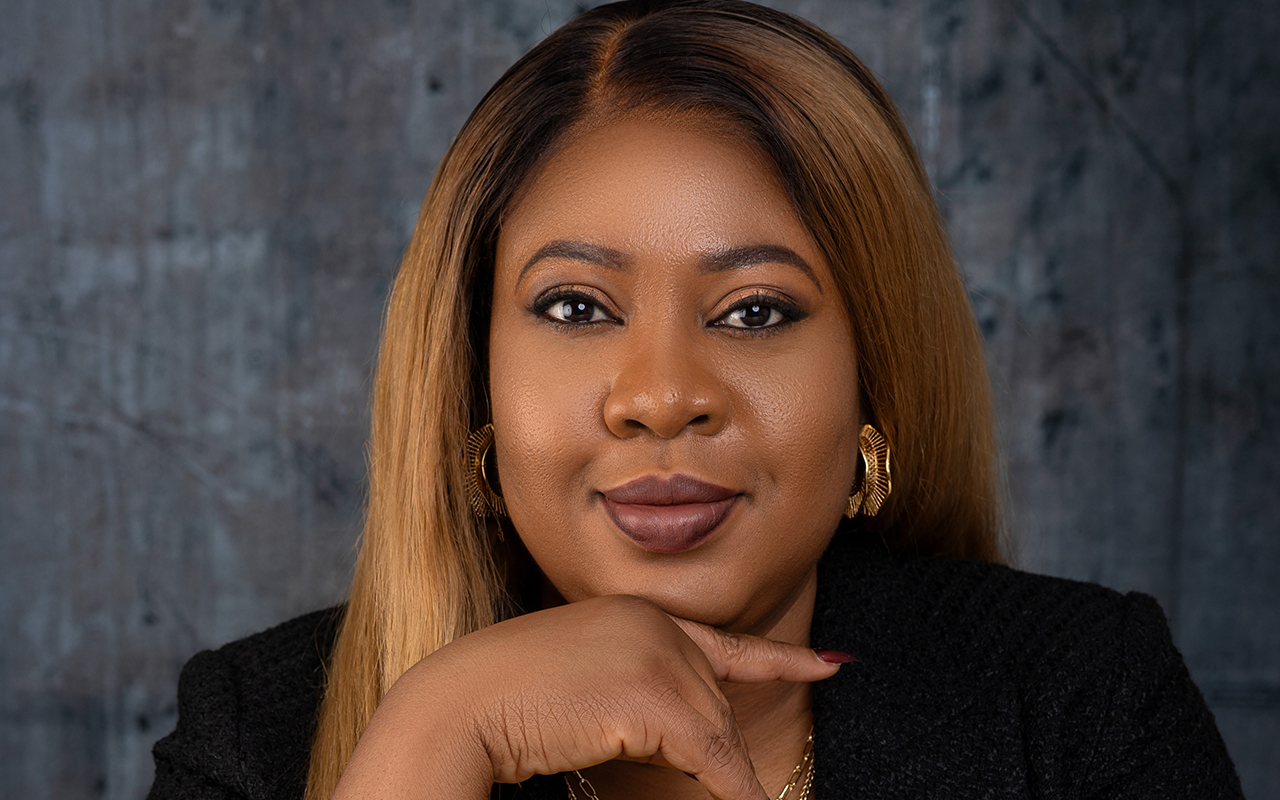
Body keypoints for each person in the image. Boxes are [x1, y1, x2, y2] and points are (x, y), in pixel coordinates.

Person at [147, 1, 1243, 798]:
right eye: (576, 308)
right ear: (472, 379)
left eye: (755, 311)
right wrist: (439, 732)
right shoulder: (254, 735)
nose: (663, 396)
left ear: (872, 384)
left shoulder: (1077, 701)